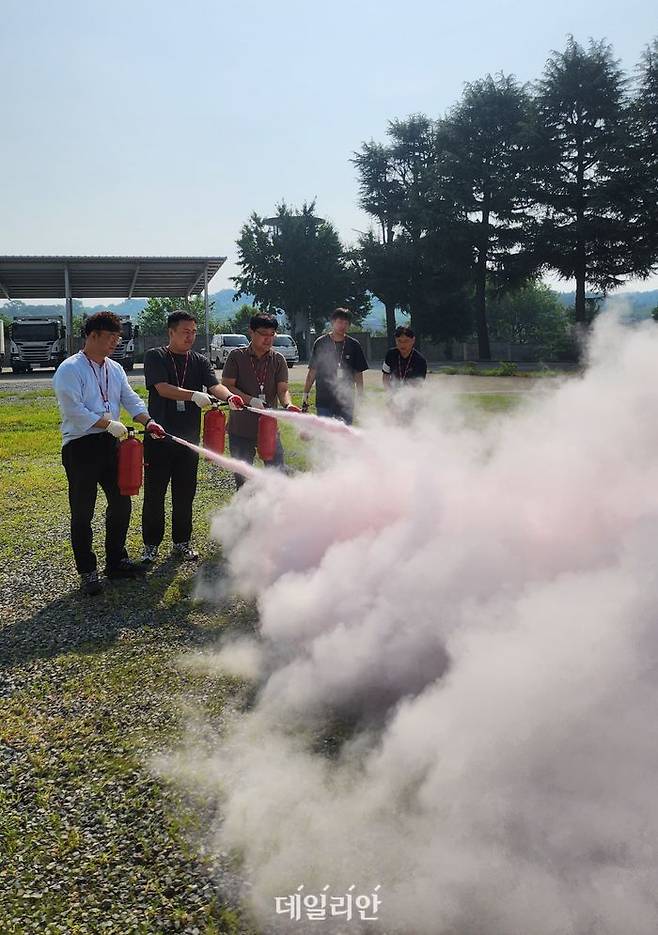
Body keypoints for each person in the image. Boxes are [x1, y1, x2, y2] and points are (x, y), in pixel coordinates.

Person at [53, 311, 165, 596]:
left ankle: (116, 561)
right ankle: (87, 571)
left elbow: (130, 398)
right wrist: (108, 423)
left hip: (112, 444)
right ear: (92, 336)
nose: (115, 342)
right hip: (81, 446)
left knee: (122, 502)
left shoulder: (114, 368)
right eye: (110, 337)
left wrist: (148, 421)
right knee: (83, 511)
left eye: (118, 337)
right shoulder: (70, 369)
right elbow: (74, 411)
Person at [141, 310, 243, 564]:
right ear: (171, 332)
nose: (190, 337)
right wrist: (192, 396)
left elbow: (214, 385)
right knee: (155, 493)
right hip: (159, 437)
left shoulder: (199, 360)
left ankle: (181, 542)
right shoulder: (155, 357)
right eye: (185, 332)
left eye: (194, 332)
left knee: (185, 492)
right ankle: (151, 545)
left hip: (189, 439)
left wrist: (228, 396)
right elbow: (162, 388)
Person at [221, 312, 300, 489]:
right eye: (263, 334)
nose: (268, 339)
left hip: (269, 428)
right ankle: (245, 514)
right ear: (251, 332)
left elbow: (283, 389)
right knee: (243, 480)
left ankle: (275, 514)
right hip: (240, 428)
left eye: (272, 335)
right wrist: (250, 400)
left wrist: (288, 404)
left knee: (277, 475)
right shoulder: (236, 356)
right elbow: (227, 386)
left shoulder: (278, 359)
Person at [302, 308, 368, 424]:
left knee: (344, 434)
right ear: (332, 322)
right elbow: (313, 370)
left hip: (346, 400)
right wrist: (305, 393)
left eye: (346, 323)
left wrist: (361, 395)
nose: (343, 326)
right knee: (325, 435)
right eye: (339, 322)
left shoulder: (354, 345)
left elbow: (358, 373)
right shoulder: (321, 342)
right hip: (324, 399)